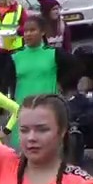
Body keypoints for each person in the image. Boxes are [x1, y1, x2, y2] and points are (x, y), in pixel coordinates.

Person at [8, 15, 80, 147]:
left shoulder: (53, 53)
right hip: (24, 106)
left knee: (49, 143)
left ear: (42, 32)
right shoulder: (15, 56)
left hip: (48, 105)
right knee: (25, 146)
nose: (28, 34)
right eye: (26, 31)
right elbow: (6, 81)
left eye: (32, 30)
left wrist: (62, 83)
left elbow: (76, 68)